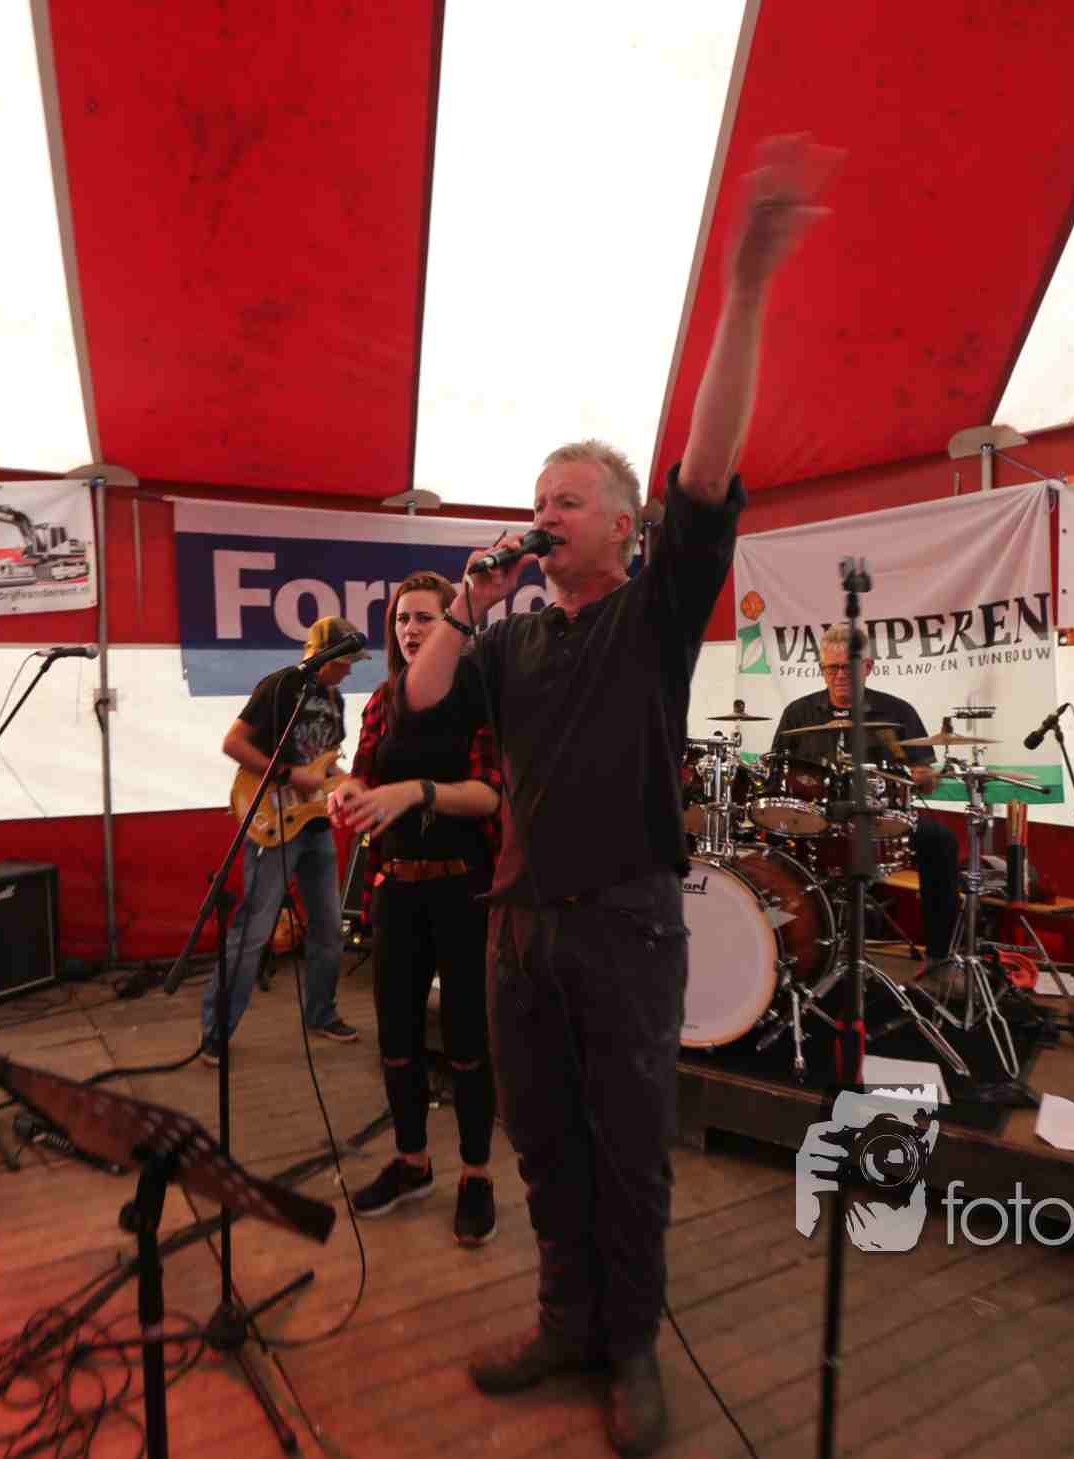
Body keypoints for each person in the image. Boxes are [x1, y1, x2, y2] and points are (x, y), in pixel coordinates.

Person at [402, 135, 840, 1456]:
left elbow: (706, 464)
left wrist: (745, 291)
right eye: (537, 498)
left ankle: (632, 1343)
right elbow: (420, 700)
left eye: (569, 499)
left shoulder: (652, 612)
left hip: (628, 922)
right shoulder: (511, 638)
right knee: (544, 1139)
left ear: (623, 526)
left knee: (630, 1146)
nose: (545, 513)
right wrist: (468, 595)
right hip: (518, 925)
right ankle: (566, 1321)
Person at [328, 572, 504, 1246]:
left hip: (463, 888)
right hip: (395, 887)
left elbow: (490, 795)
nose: (410, 630)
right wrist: (348, 791)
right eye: (402, 619)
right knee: (396, 1039)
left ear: (453, 624)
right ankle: (413, 1162)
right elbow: (362, 773)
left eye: (425, 618)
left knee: (467, 1041)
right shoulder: (383, 700)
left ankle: (476, 1174)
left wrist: (418, 792)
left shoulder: (476, 693)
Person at [202, 616, 363, 1061]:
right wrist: (291, 776)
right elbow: (233, 743)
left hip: (315, 825)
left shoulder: (335, 701)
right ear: (322, 655)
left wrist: (350, 782)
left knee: (328, 927)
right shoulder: (281, 686)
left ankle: (322, 1013)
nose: (349, 670)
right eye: (344, 661)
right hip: (272, 820)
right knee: (253, 932)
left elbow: (324, 764)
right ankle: (216, 1032)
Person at [764, 622, 962, 964]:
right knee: (771, 844)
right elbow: (778, 770)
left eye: (848, 667)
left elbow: (926, 777)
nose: (839, 675)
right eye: (831, 668)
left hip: (882, 819)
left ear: (867, 667)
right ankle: (783, 945)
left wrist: (923, 778)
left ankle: (941, 955)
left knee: (941, 841)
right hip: (817, 820)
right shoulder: (799, 713)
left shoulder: (897, 712)